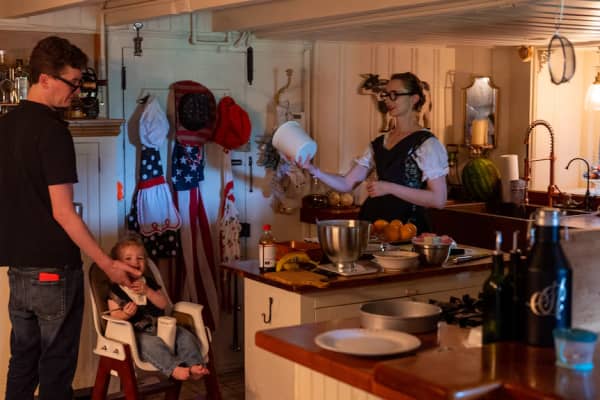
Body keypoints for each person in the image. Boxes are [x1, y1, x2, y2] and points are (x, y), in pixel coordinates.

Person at [0, 36, 142, 400]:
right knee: (56, 367)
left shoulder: (5, 126)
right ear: (45, 78)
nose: (76, 92)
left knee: (22, 362)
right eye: (72, 83)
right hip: (53, 269)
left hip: (18, 269)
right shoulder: (52, 131)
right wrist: (107, 264)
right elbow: (64, 212)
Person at [302, 72, 448, 233]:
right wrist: (313, 169)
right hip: (374, 224)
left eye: (395, 94)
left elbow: (438, 199)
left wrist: (389, 188)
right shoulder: (379, 143)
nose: (387, 100)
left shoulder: (427, 144)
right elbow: (346, 183)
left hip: (407, 230)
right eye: (386, 95)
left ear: (414, 98)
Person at [108, 235, 210, 381]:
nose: (135, 262)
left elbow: (163, 303)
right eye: (128, 259)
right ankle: (174, 368)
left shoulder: (148, 283)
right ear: (118, 264)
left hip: (161, 327)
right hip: (135, 335)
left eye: (140, 258)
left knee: (184, 335)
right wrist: (125, 314)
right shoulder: (116, 289)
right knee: (150, 343)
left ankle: (195, 365)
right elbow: (113, 316)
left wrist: (148, 291)